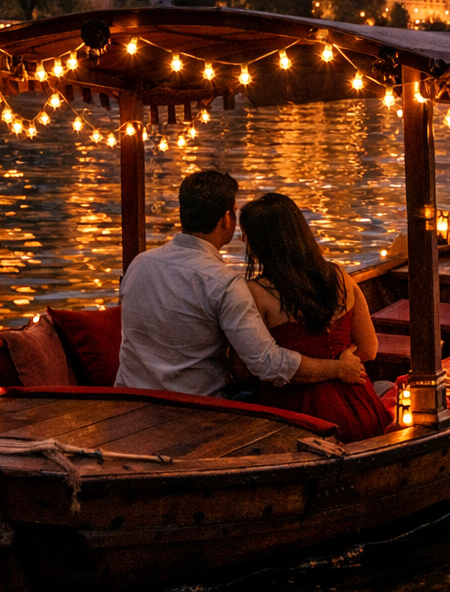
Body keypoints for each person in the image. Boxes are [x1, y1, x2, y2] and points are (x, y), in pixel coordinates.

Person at [117, 171, 366, 398]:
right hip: (198, 408)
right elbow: (267, 364)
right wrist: (338, 369)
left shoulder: (140, 264)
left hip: (130, 399)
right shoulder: (223, 282)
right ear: (227, 218)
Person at [239, 192, 391, 442]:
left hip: (298, 420)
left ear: (260, 241)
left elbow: (244, 369)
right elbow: (369, 348)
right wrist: (341, 363)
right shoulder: (341, 277)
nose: (244, 240)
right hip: (361, 408)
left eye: (245, 234)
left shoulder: (256, 293)